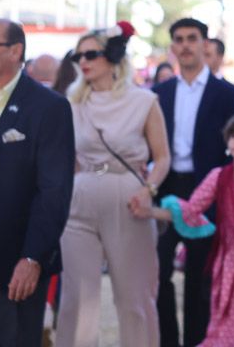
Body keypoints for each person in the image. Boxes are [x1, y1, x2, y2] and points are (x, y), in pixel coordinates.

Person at [56, 22, 170, 347]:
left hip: (129, 197)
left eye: (91, 53)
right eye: (78, 56)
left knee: (135, 299)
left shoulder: (144, 100)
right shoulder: (72, 101)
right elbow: (70, 156)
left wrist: (147, 190)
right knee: (77, 299)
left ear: (113, 56)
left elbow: (162, 157)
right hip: (80, 196)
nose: (83, 61)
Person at [0, 19, 74, 346]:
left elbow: (53, 192)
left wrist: (33, 257)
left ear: (15, 51)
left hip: (14, 257)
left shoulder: (48, 108)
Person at [133, 113, 234, 347]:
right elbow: (190, 210)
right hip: (228, 263)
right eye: (233, 136)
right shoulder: (219, 177)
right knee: (226, 322)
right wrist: (150, 212)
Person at [153, 18, 234, 347]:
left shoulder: (228, 94)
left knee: (200, 278)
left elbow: (233, 151)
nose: (186, 45)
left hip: (207, 191)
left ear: (205, 44)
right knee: (158, 274)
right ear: (173, 47)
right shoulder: (158, 93)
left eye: (192, 38)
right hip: (165, 189)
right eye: (179, 39)